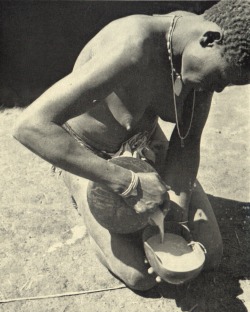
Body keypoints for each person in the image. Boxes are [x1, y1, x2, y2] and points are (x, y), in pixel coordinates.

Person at [14, 0, 250, 291]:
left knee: (209, 253)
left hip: (148, 145)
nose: (218, 89)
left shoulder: (197, 64)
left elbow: (187, 144)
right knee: (140, 277)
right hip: (89, 150)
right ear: (210, 39)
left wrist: (174, 209)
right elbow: (30, 127)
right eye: (221, 79)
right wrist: (129, 185)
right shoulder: (133, 46)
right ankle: (74, 177)